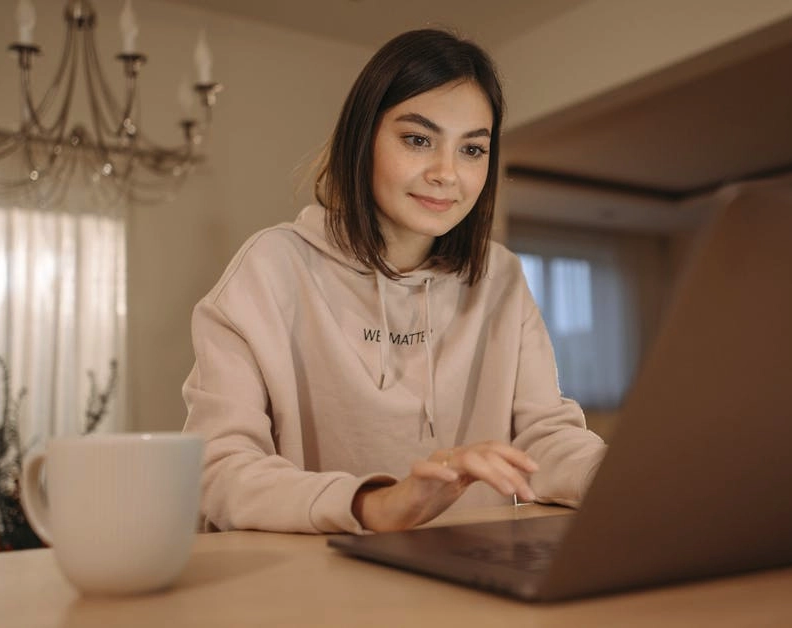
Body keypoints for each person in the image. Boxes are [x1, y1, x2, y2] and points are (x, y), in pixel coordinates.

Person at [182, 28, 606, 535]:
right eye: (418, 140)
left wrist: (625, 477)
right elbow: (219, 468)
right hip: (310, 587)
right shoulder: (269, 269)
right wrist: (375, 505)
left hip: (470, 582)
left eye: (473, 150)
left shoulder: (501, 278)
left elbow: (545, 438)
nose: (447, 173)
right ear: (362, 140)